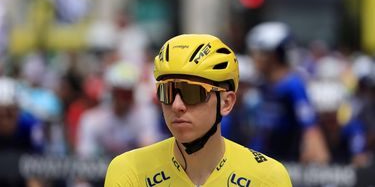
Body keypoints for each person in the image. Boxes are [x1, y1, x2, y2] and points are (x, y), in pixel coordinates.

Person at [105, 34, 292, 186]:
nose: (177, 105)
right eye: (167, 92)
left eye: (192, 93)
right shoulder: (129, 170)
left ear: (226, 103)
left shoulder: (267, 177)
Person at [245, 22, 330, 163]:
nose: (253, 58)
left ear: (271, 55)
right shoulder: (262, 85)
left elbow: (310, 129)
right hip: (259, 162)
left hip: (285, 165)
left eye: (256, 52)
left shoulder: (293, 85)